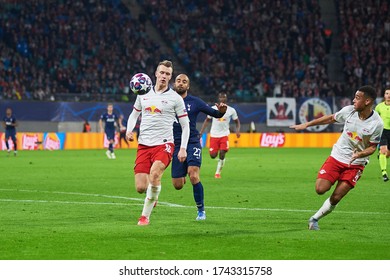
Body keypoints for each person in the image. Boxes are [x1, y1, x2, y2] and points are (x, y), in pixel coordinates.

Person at [290, 85, 383, 230]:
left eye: (357, 98)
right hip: (337, 156)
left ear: (367, 101)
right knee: (320, 189)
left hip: (356, 163)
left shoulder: (377, 123)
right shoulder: (349, 111)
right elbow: (330, 119)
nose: (353, 100)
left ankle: (314, 219)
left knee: (336, 197)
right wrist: (307, 124)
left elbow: (372, 147)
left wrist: (359, 154)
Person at [125, 60, 190, 226]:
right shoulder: (143, 93)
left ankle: (144, 217)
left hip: (164, 144)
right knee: (140, 187)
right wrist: (129, 129)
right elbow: (134, 114)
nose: (164, 76)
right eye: (161, 72)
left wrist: (182, 148)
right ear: (155, 73)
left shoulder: (175, 98)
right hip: (144, 144)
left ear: (170, 77)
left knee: (155, 174)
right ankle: (153, 195)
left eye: (167, 74)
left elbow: (185, 125)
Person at [172, 74, 227, 220]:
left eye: (184, 82)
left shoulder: (195, 102)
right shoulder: (167, 101)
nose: (181, 84)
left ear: (188, 86)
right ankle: (181, 173)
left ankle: (201, 210)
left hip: (192, 142)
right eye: (178, 81)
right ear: (174, 84)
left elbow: (214, 113)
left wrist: (221, 111)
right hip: (176, 144)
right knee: (177, 185)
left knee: (194, 174)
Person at [199, 92, 241, 178]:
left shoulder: (231, 110)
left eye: (224, 97)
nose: (222, 99)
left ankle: (217, 172)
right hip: (214, 135)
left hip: (224, 135)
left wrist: (238, 130)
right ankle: (216, 151)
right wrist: (201, 131)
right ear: (218, 98)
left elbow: (237, 121)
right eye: (221, 97)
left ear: (226, 99)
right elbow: (207, 120)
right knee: (213, 155)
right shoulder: (213, 108)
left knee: (222, 152)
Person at [375, 87, 390, 182]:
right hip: (383, 131)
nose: (389, 96)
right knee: (383, 151)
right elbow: (375, 120)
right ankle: (384, 173)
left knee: (387, 154)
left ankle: (381, 155)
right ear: (384, 95)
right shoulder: (379, 107)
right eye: (387, 93)